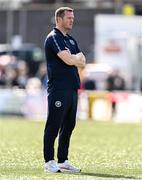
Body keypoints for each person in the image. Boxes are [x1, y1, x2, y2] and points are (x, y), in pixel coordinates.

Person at [43, 7, 86, 173]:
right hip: (59, 89)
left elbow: (83, 61)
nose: (72, 20)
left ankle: (63, 160)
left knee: (69, 125)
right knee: (54, 125)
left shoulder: (71, 40)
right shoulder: (54, 38)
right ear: (59, 19)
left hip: (72, 88)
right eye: (68, 17)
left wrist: (74, 58)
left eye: (72, 17)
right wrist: (74, 59)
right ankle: (49, 161)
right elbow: (68, 60)